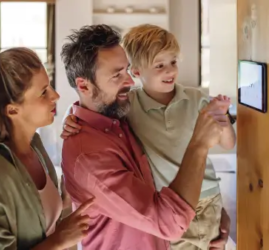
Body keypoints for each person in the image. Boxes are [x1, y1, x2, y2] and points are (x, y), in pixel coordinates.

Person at [61, 24, 235, 249]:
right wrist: (199, 144)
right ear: (84, 85)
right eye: (117, 75)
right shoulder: (91, 153)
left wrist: (211, 207)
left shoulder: (117, 115)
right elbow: (169, 222)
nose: (130, 82)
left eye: (126, 70)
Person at [0, 47, 94, 250]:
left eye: (49, 86)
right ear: (12, 110)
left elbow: (35, 221)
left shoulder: (35, 147)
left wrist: (63, 201)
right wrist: (59, 240)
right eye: (43, 92)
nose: (56, 96)